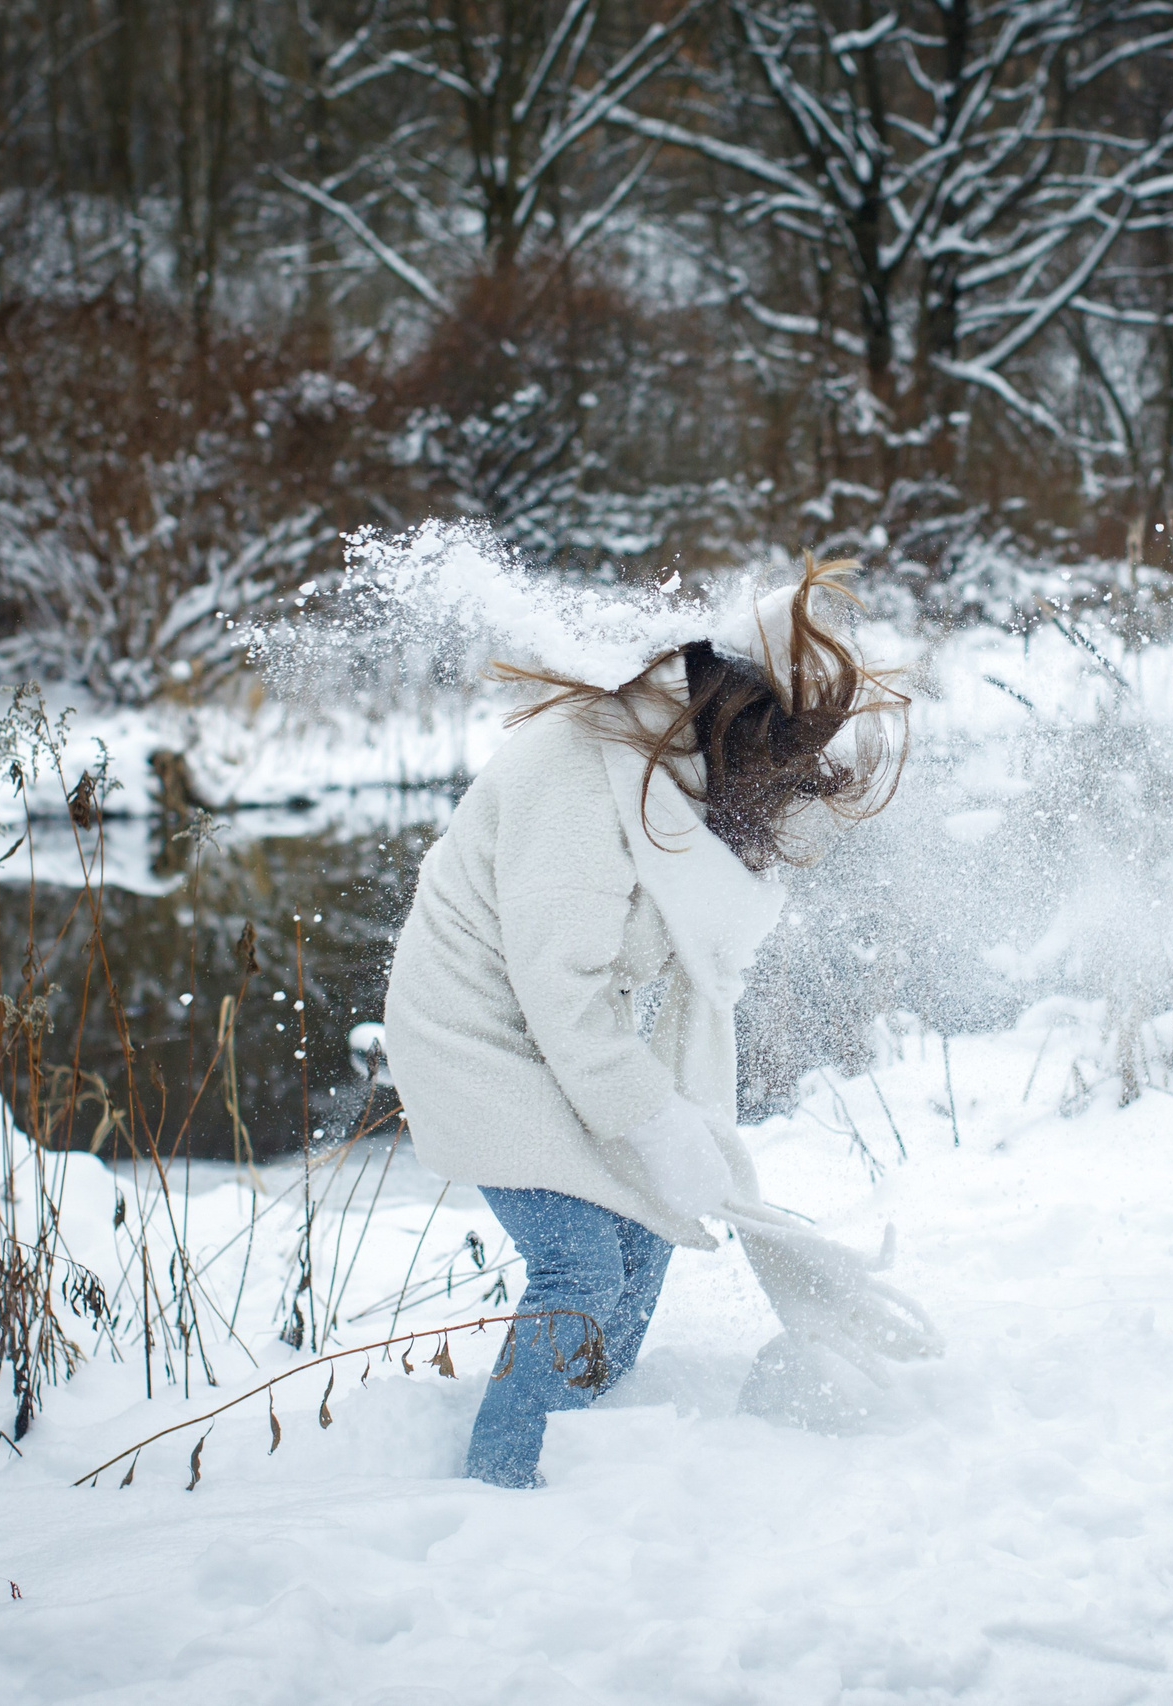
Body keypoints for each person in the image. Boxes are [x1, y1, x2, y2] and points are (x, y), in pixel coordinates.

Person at [383, 557, 936, 1487]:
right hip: (471, 1039)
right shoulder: (582, 774)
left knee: (640, 1238)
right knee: (581, 1268)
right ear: (735, 728)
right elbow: (565, 993)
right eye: (774, 761)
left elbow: (652, 978)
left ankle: (591, 1444)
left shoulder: (668, 778)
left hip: (548, 1039)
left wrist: (677, 1125)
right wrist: (651, 1118)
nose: (771, 788)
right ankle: (503, 1488)